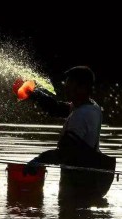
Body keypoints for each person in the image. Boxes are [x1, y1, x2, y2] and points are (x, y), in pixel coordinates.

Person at [23, 66, 114, 199]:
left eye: (70, 83)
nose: (65, 86)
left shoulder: (81, 115)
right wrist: (34, 94)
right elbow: (56, 109)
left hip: (77, 188)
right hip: (88, 184)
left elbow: (66, 153)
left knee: (69, 213)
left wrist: (39, 160)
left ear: (82, 88)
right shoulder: (91, 107)